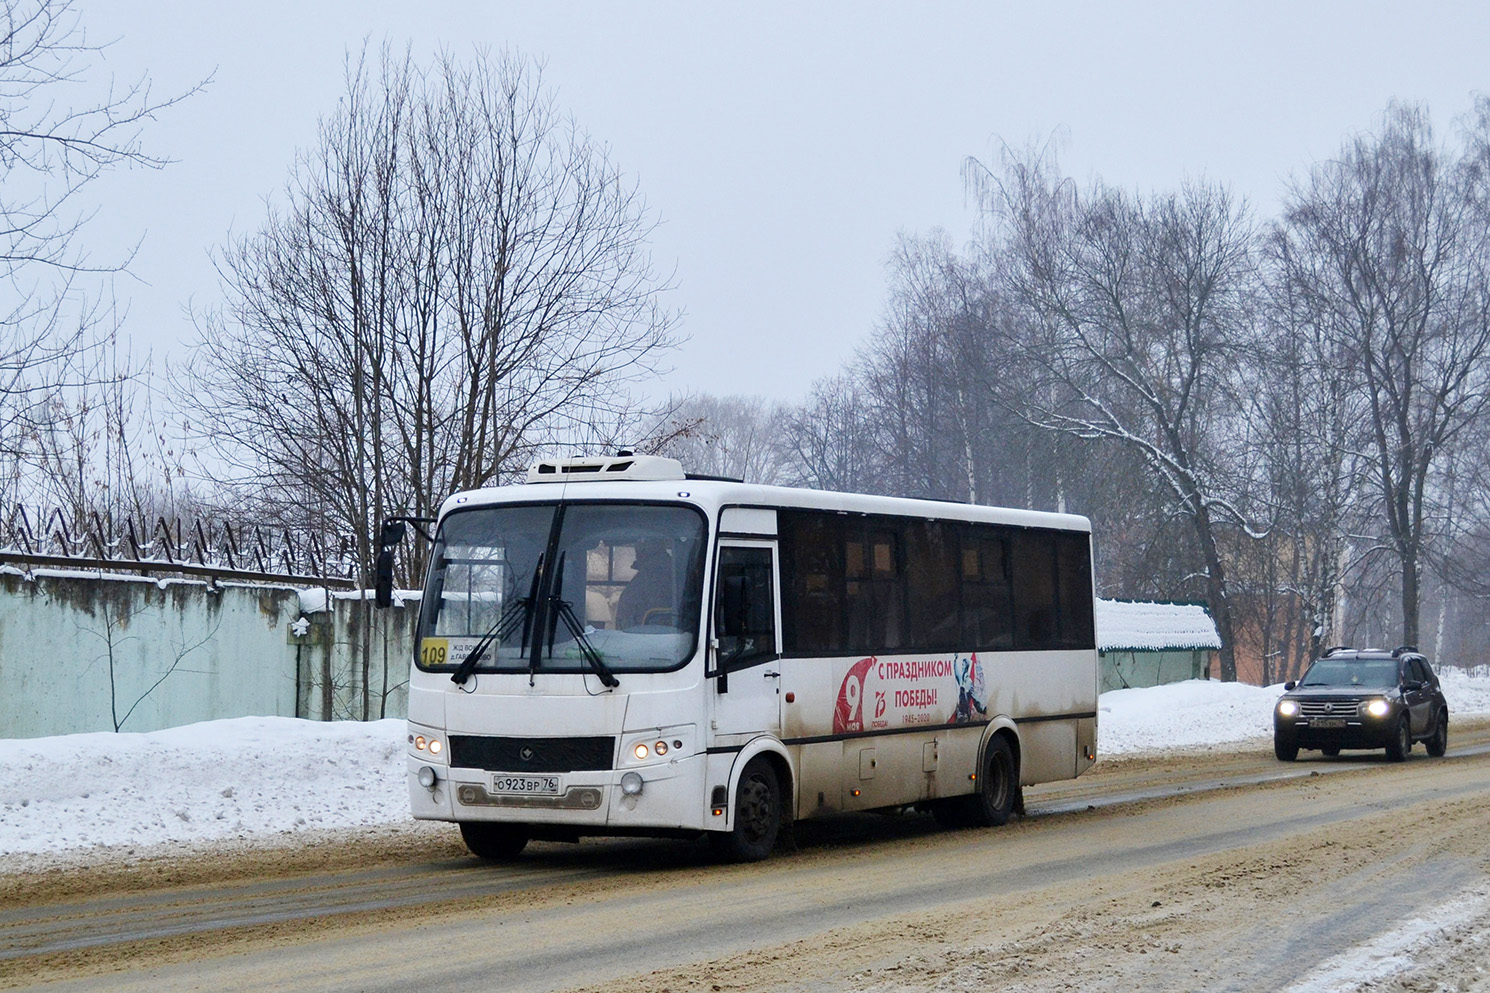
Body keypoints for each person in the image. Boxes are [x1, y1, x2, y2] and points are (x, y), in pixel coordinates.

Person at [616, 540, 675, 629]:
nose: (636, 554)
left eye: (640, 548)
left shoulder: (656, 573)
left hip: (647, 633)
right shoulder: (667, 571)